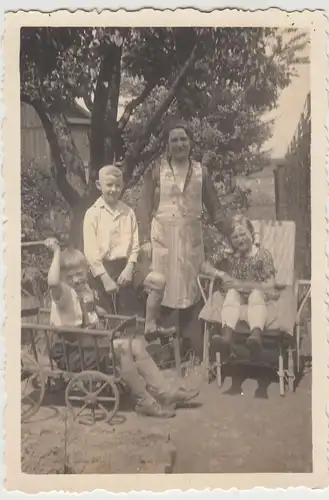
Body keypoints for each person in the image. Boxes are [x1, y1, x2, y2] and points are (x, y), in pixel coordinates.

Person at [45, 237, 199, 418]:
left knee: (137, 345)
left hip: (88, 343)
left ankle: (165, 392)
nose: (76, 279)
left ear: (86, 271)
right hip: (71, 348)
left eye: (79, 273)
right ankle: (144, 401)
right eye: (69, 277)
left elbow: (89, 313)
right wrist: (56, 252)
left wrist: (96, 309)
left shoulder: (84, 290)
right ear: (62, 278)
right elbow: (53, 282)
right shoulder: (62, 292)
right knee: (124, 348)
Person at [137, 121, 237, 360]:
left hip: (191, 240)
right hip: (162, 239)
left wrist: (233, 232)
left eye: (183, 139)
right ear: (167, 145)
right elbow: (143, 207)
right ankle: (166, 350)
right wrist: (144, 240)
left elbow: (215, 209)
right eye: (174, 140)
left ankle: (191, 346)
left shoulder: (202, 172)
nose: (179, 144)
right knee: (164, 289)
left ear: (190, 143)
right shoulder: (155, 170)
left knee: (191, 289)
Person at [83, 165, 175, 342]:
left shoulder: (128, 212)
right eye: (109, 185)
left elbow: (134, 244)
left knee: (158, 281)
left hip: (126, 265)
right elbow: (90, 251)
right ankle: (108, 345)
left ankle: (150, 326)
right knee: (109, 315)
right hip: (103, 269)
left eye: (118, 186)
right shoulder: (93, 214)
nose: (114, 190)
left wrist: (129, 267)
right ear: (98, 185)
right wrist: (104, 278)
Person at [199, 214, 280, 357]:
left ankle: (256, 336)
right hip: (236, 293)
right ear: (230, 240)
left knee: (255, 295)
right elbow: (204, 266)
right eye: (235, 237)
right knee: (231, 295)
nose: (240, 239)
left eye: (243, 234)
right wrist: (221, 274)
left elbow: (270, 284)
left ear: (251, 234)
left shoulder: (262, 254)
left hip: (258, 291)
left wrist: (245, 284)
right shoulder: (228, 254)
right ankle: (226, 338)